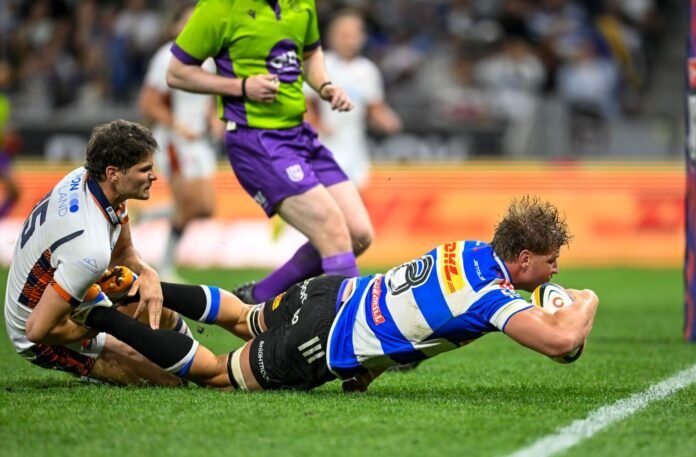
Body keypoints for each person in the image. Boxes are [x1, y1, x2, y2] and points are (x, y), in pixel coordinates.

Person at [76, 196, 600, 392]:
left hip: (328, 292)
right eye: (551, 260)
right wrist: (587, 301)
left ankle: (137, 287)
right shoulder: (490, 298)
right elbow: (560, 344)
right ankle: (101, 316)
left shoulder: (466, 249)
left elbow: (418, 316)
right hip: (323, 337)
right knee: (216, 372)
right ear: (523, 258)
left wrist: (372, 368)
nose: (556, 270)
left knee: (245, 315)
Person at [166, 0, 374, 304]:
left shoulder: (301, 4)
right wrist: (242, 87)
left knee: (359, 234)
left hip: (300, 134)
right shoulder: (220, 7)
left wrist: (325, 86)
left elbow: (310, 53)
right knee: (333, 231)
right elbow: (176, 73)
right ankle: (354, 324)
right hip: (256, 140)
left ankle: (259, 296)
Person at [3, 119, 196, 385]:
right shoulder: (89, 248)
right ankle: (100, 368)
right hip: (39, 330)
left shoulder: (95, 183)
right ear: (114, 173)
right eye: (145, 169)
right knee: (169, 380)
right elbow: (36, 330)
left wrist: (147, 272)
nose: (154, 176)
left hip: (68, 293)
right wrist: (108, 323)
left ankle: (191, 356)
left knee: (152, 301)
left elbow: (123, 252)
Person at [138, 3, 222, 281]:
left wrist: (213, 119)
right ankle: (164, 266)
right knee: (189, 206)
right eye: (185, 21)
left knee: (205, 209)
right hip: (175, 141)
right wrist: (177, 125)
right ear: (175, 26)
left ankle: (148, 216)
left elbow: (207, 98)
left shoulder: (208, 60)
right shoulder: (167, 57)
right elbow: (148, 102)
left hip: (199, 141)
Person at [304, 9, 402, 189]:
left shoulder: (367, 70)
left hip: (355, 144)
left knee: (356, 192)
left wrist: (390, 122)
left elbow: (375, 107)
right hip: (325, 143)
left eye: (354, 35)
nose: (349, 41)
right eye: (344, 35)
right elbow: (306, 103)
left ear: (363, 38)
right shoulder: (322, 65)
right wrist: (317, 126)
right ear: (332, 36)